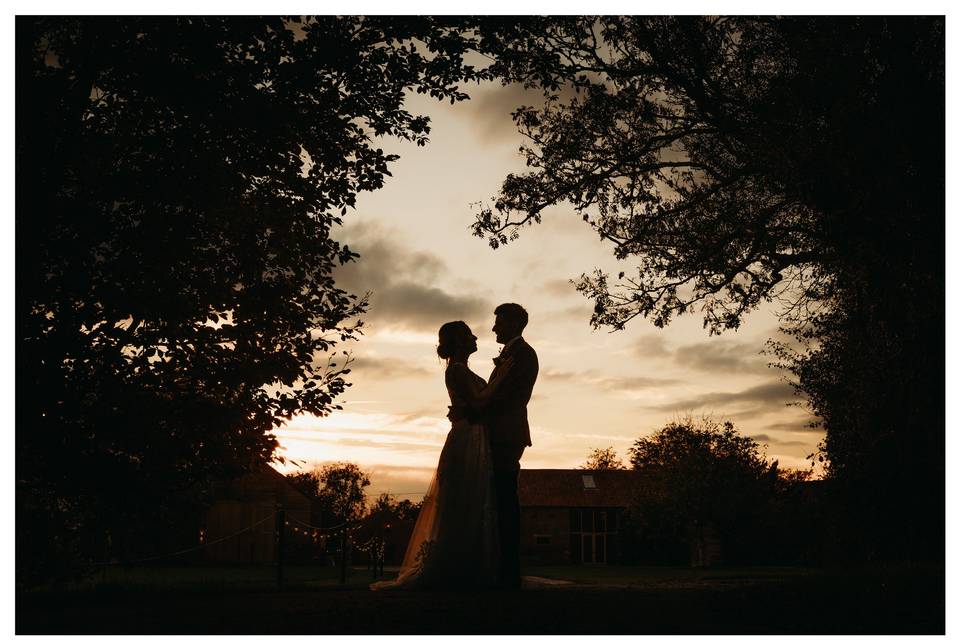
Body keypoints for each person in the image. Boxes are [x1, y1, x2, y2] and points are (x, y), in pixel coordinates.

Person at [371, 320, 513, 590]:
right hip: (466, 438)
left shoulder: (463, 370)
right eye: (470, 335)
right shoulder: (457, 371)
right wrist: (503, 377)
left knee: (474, 498)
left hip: (475, 435)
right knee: (461, 499)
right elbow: (479, 402)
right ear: (460, 341)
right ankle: (453, 566)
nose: (475, 338)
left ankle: (471, 563)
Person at [485, 303, 538, 590]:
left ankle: (509, 570)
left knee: (505, 500)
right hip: (500, 433)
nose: (494, 328)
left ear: (517, 323)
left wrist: (475, 409)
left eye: (500, 322)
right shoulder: (512, 353)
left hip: (507, 434)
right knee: (498, 500)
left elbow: (508, 398)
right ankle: (501, 566)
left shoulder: (523, 354)